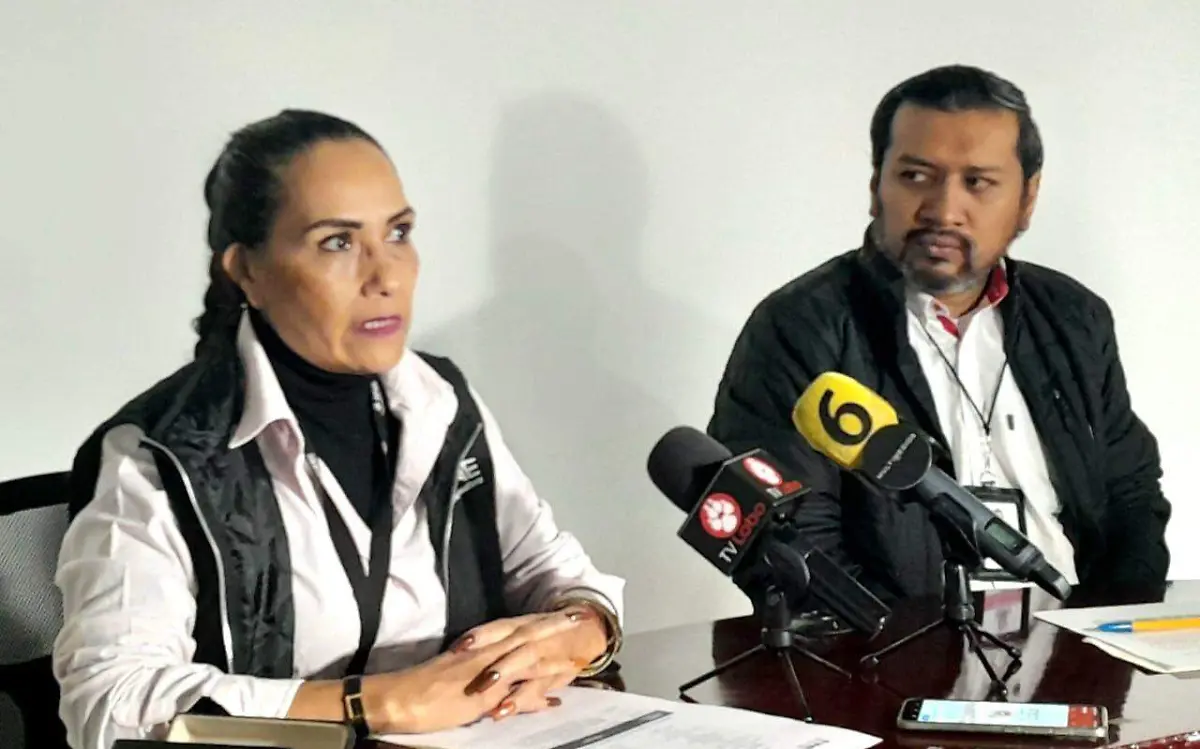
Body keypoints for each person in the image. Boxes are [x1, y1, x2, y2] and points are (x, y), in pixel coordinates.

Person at [53, 110, 624, 749]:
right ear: (247, 272)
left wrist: (584, 628)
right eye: (337, 243)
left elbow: (550, 569)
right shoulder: (160, 456)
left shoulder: (440, 403)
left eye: (399, 233)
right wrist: (383, 703)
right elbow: (109, 702)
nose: (387, 276)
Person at [708, 65, 1170, 605]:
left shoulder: (1074, 317)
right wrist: (915, 645)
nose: (944, 210)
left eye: (978, 182)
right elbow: (795, 548)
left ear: (1027, 199)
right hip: (899, 647)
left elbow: (1131, 496)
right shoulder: (801, 327)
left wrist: (1108, 632)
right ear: (876, 186)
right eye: (915, 176)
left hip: (1071, 634)